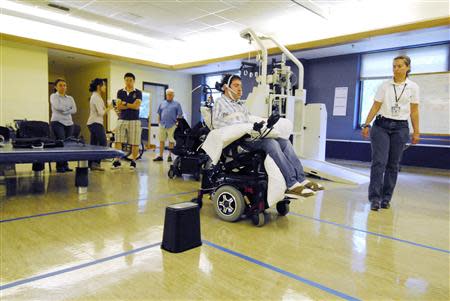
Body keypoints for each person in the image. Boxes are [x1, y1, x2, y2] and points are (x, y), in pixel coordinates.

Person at [213, 74, 324, 198]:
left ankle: (301, 179)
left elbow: (248, 119)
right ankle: (291, 184)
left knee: (284, 142)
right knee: (271, 143)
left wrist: (260, 124)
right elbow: (216, 124)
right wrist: (240, 125)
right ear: (225, 87)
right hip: (239, 141)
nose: (240, 89)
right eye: (236, 85)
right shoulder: (220, 102)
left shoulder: (240, 105)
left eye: (241, 86)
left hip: (251, 135)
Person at [361, 55, 420, 211]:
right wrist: (366, 124)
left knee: (393, 165)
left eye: (400, 66)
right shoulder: (385, 85)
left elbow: (414, 111)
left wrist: (416, 132)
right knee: (379, 162)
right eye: (394, 66)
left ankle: (386, 198)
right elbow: (375, 106)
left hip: (401, 128)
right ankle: (374, 198)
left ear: (407, 68)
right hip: (381, 125)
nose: (396, 69)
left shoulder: (413, 87)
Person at [112, 73, 142, 170]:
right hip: (122, 119)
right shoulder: (120, 92)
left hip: (134, 120)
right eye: (126, 80)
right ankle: (117, 161)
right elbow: (119, 106)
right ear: (124, 81)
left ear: (133, 81)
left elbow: (136, 106)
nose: (128, 82)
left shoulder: (138, 92)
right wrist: (130, 105)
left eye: (130, 80)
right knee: (118, 140)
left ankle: (133, 161)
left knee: (135, 142)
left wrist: (125, 103)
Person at [50, 78, 77, 173]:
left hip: (69, 123)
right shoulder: (53, 96)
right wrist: (68, 108)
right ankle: (59, 166)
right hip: (57, 122)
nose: (63, 87)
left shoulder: (70, 98)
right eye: (60, 85)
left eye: (64, 85)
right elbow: (58, 107)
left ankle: (65, 165)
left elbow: (74, 110)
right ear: (55, 87)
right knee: (61, 143)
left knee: (67, 145)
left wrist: (65, 110)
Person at [87, 78, 112, 171]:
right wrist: (109, 108)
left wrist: (109, 108)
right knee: (103, 143)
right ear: (99, 86)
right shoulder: (96, 97)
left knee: (94, 144)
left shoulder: (97, 96)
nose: (105, 87)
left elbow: (102, 110)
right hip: (95, 123)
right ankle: (96, 163)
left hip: (94, 123)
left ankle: (91, 164)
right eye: (104, 85)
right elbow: (101, 113)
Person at [153, 88, 183, 162]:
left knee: (171, 141)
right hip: (162, 125)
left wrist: (177, 123)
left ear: (173, 95)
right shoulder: (162, 103)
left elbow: (180, 115)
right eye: (168, 94)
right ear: (166, 95)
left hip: (172, 125)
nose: (169, 96)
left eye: (170, 95)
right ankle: (160, 156)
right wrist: (159, 122)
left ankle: (169, 156)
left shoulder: (177, 104)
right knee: (161, 140)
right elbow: (159, 114)